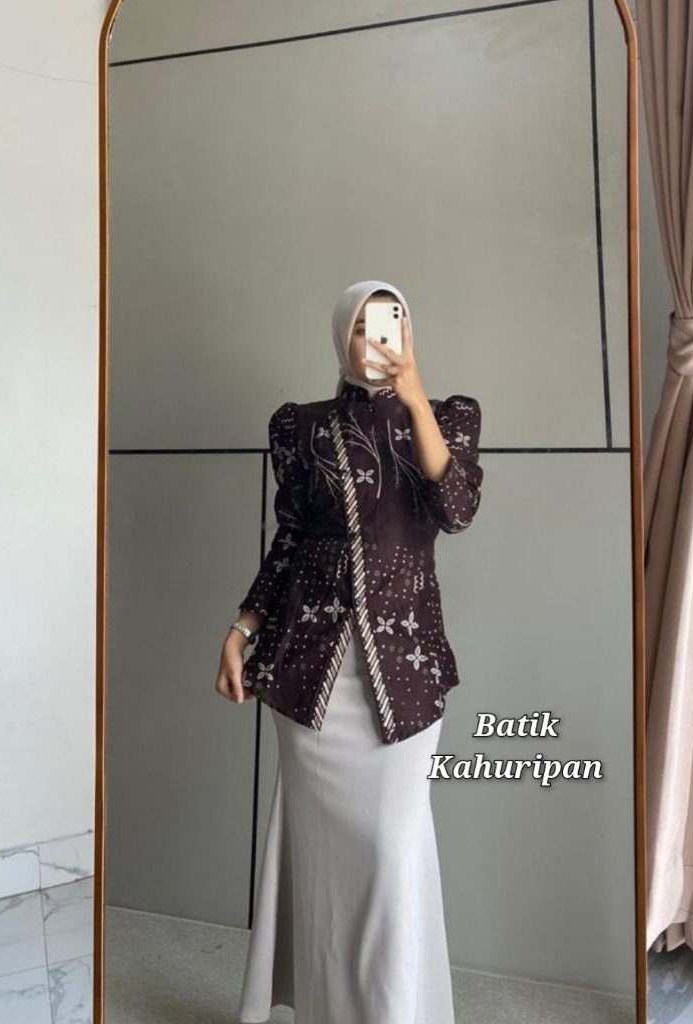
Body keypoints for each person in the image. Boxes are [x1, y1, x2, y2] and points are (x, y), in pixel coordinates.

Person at [216, 279, 484, 1024]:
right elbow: (291, 539)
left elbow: (457, 508)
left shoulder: (451, 416)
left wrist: (415, 394)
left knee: (392, 854)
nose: (376, 342)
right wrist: (242, 630)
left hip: (405, 675)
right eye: (362, 329)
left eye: (389, 325)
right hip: (310, 672)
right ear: (342, 338)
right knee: (322, 862)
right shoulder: (298, 427)